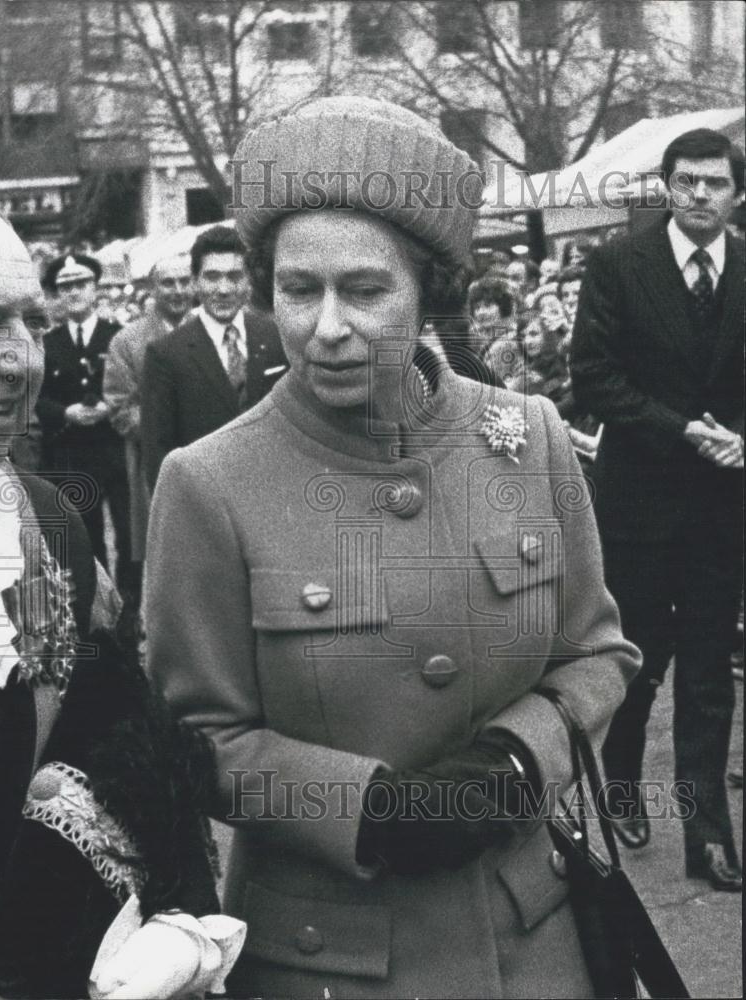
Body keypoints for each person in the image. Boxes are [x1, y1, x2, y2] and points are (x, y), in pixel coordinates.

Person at [146, 96, 640, 998]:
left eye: (364, 290)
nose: (326, 326)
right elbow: (194, 740)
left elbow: (597, 655)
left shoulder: (527, 435)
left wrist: (519, 758)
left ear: (429, 294)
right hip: (323, 962)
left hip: (534, 944)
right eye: (299, 290)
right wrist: (366, 811)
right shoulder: (207, 481)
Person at [0, 189, 245, 999]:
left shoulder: (45, 530)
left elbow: (126, 748)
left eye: (31, 322)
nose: (19, 361)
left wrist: (180, 921)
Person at [571, 128, 745, 892]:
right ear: (665, 187)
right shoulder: (616, 265)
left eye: (714, 182)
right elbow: (593, 380)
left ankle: (705, 831)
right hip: (639, 498)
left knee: (709, 667)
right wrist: (684, 433)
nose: (700, 194)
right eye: (686, 181)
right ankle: (618, 780)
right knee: (638, 656)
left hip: (722, 503)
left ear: (736, 192)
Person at [141, 225, 287, 491]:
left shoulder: (277, 337)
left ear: (248, 281)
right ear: (195, 282)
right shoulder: (166, 354)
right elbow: (158, 453)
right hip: (207, 501)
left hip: (275, 491)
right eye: (212, 277)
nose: (223, 289)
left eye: (234, 276)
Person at [36, 253, 132, 595]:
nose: (74, 292)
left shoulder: (120, 336)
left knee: (129, 537)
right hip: (72, 453)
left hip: (117, 449)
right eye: (66, 287)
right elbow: (37, 397)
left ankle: (130, 614)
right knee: (87, 540)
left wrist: (112, 405)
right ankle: (98, 615)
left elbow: (138, 387)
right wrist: (65, 413)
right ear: (58, 295)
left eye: (81, 284)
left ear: (96, 288)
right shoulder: (47, 344)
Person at [103, 254, 193, 586]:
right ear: (152, 289)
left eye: (185, 281)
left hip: (214, 460)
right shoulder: (127, 341)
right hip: (154, 466)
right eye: (168, 283)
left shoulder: (212, 330)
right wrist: (171, 426)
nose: (178, 290)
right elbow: (120, 409)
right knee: (165, 560)